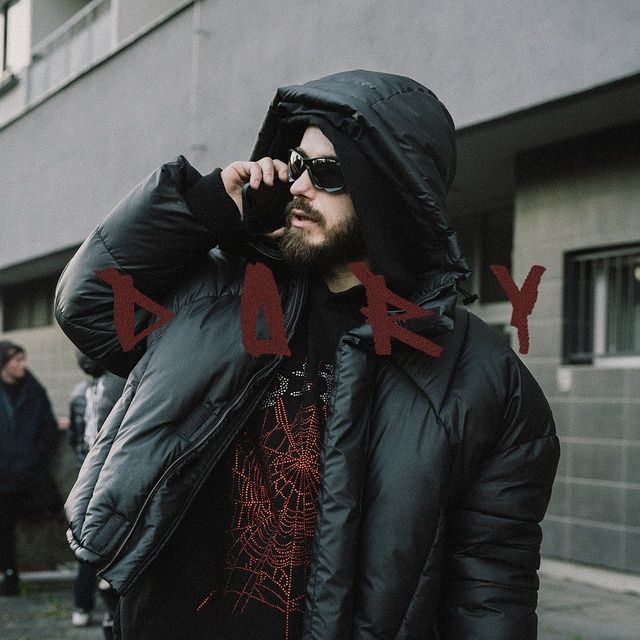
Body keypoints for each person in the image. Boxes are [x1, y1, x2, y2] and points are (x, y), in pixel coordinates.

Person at [55, 70, 560, 639]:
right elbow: (87, 305)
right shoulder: (216, 294)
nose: (298, 185)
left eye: (328, 173)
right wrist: (201, 209)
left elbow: (492, 581)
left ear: (393, 190)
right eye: (297, 164)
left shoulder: (481, 374)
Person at [68, 352, 125, 636]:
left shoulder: (79, 393)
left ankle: (83, 605)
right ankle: (112, 609)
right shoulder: (119, 386)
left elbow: (75, 437)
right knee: (114, 539)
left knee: (87, 539)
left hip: (86, 475)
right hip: (111, 474)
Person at [0, 340, 61, 597]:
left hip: (30, 474)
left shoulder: (34, 390)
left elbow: (49, 428)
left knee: (52, 515)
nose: (22, 365)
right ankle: (10, 576)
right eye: (17, 360)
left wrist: (35, 456)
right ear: (4, 363)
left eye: (23, 359)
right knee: (4, 530)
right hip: (3, 476)